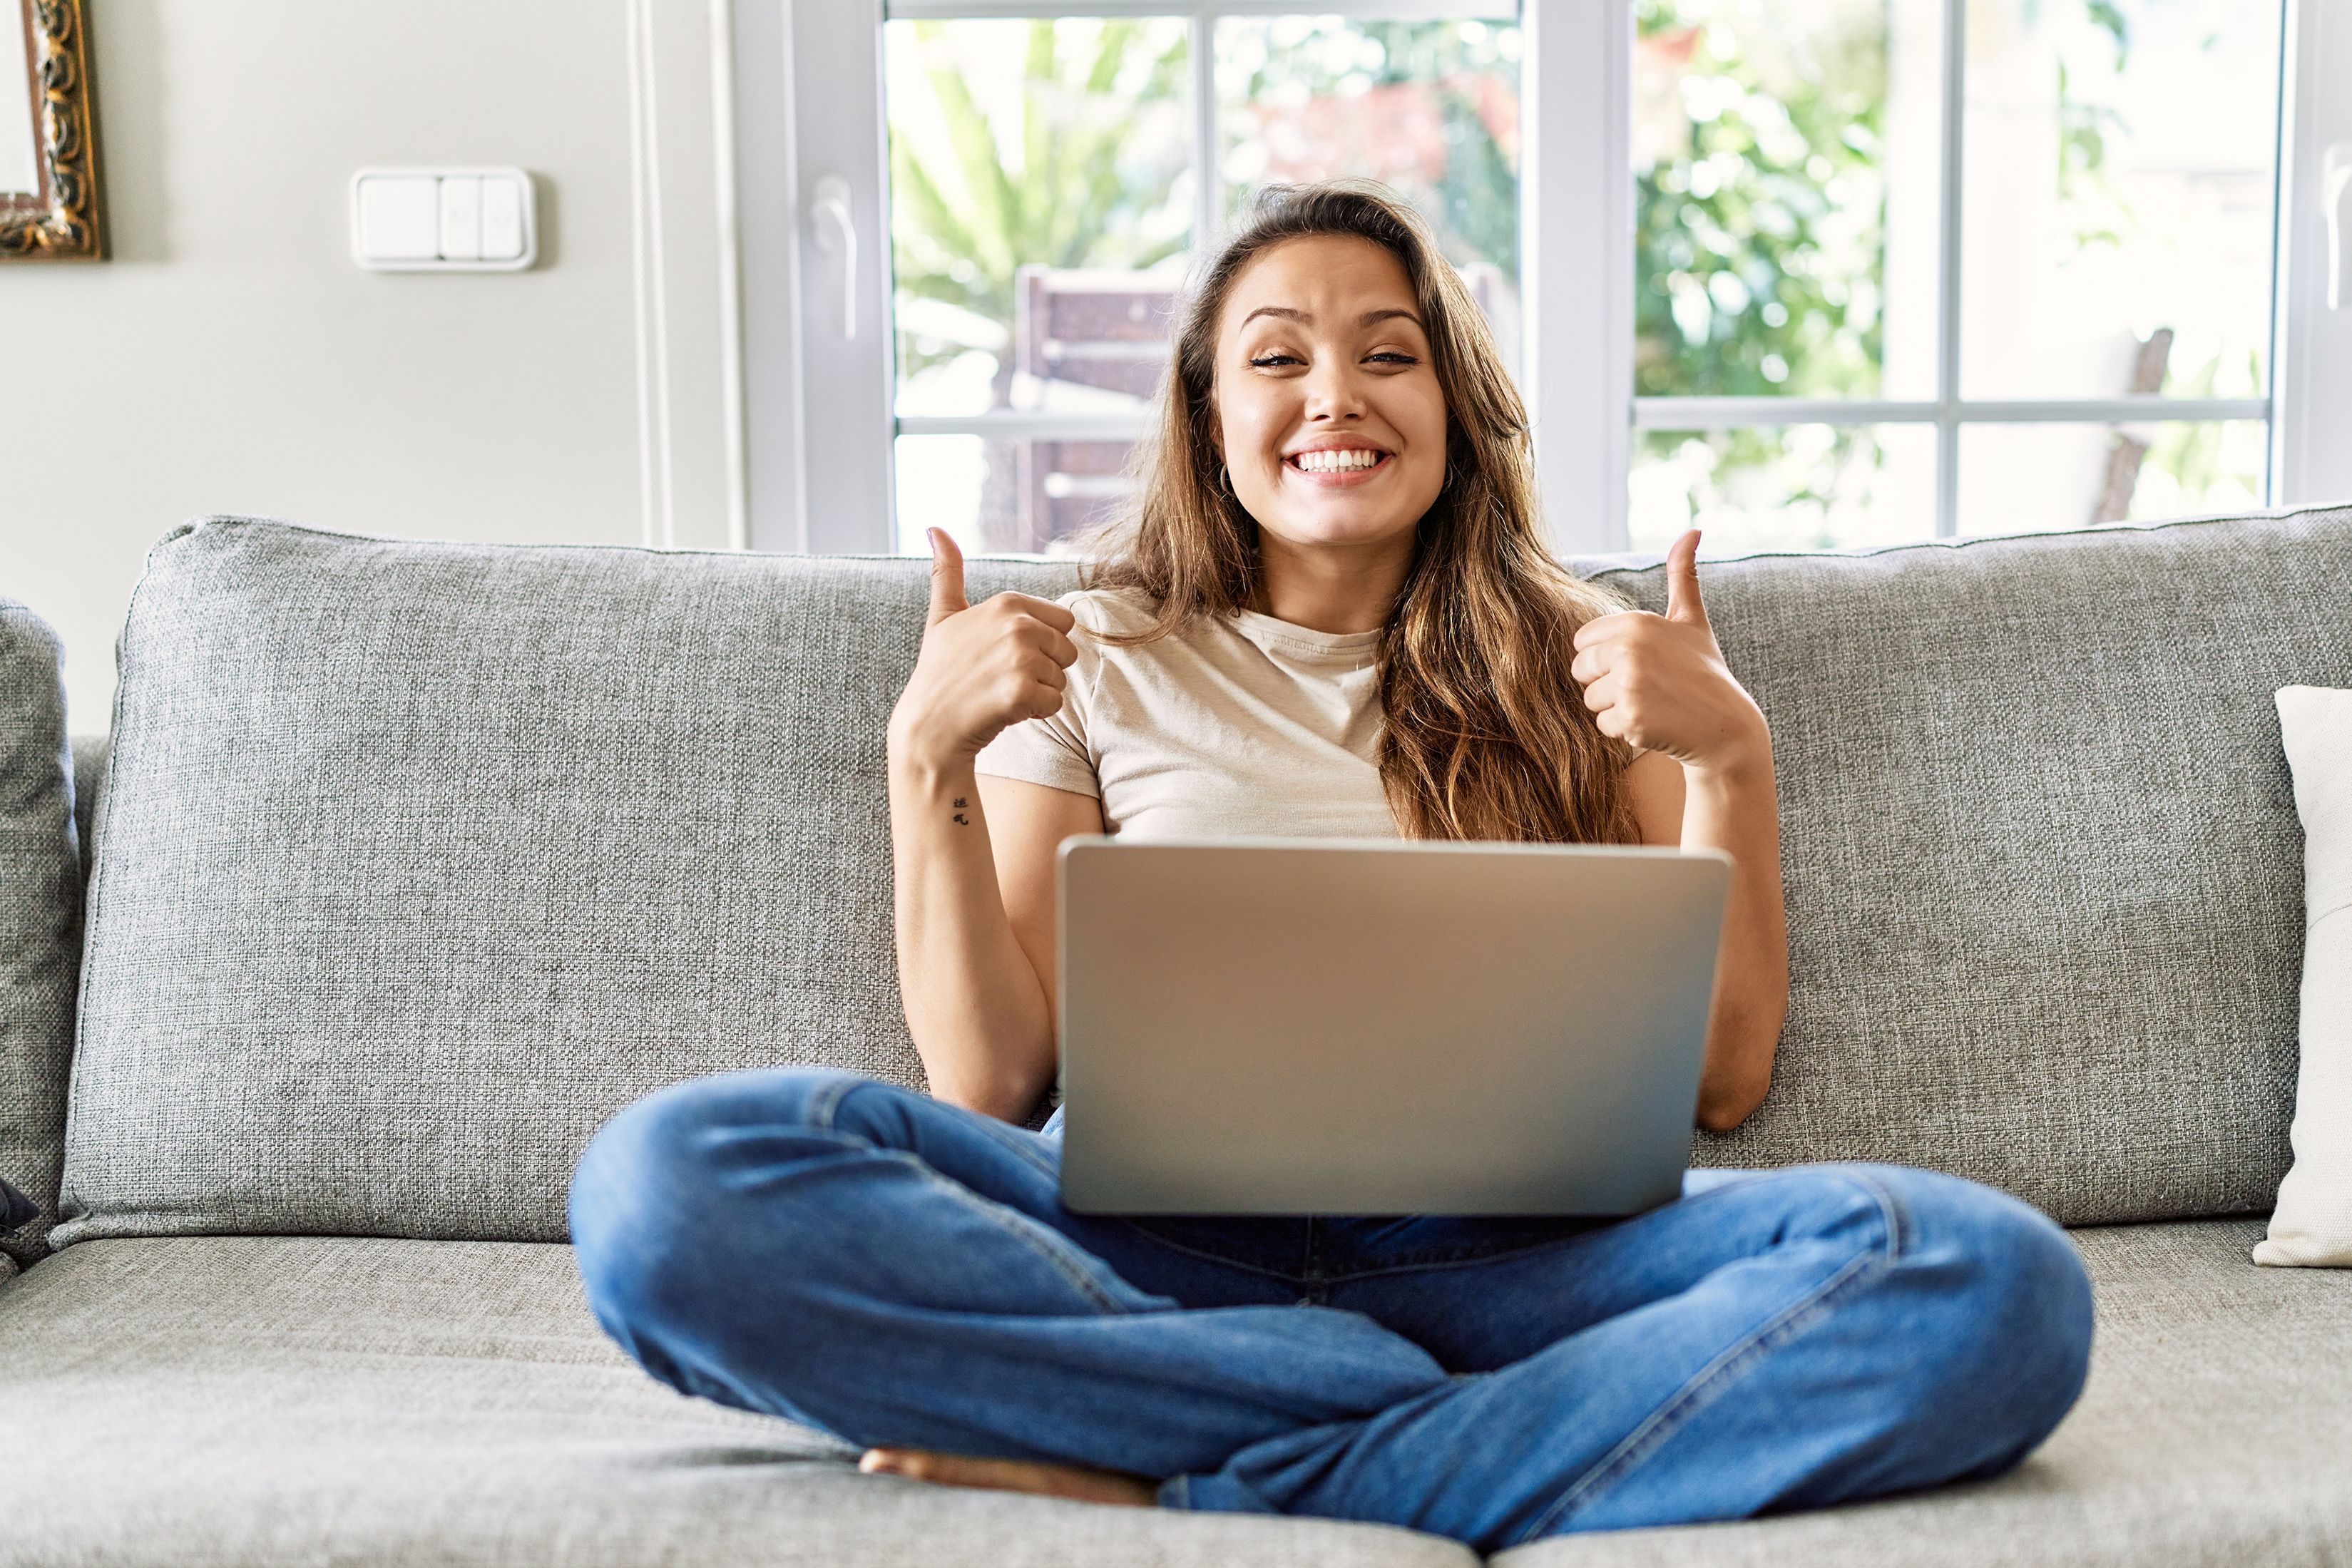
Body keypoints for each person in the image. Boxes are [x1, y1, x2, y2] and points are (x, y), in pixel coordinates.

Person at [567, 182, 2092, 1554]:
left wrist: (1729, 755)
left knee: (1982, 1276)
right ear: (1207, 411)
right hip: (1144, 1255)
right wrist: (923, 761)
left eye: (1385, 349)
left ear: (1449, 397)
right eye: (1276, 356)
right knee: (663, 1183)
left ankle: (1206, 1468)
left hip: (1519, 1263)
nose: (1331, 395)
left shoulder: (1591, 663)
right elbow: (990, 1078)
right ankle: (1393, 1409)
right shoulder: (1091, 653)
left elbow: (1720, 1078)